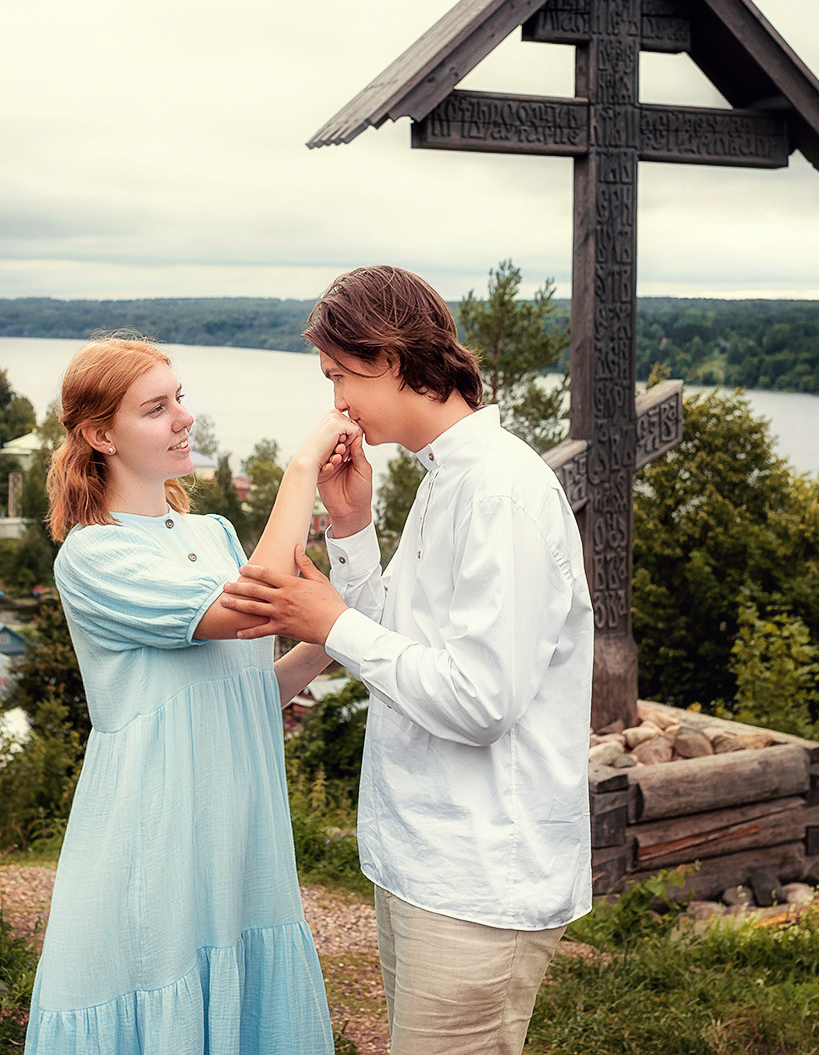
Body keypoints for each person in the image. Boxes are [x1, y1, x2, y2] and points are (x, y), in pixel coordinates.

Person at [222, 266, 595, 1055]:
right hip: (428, 861)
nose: (336, 403)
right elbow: (411, 649)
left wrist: (333, 623)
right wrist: (354, 525)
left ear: (390, 358)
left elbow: (479, 699)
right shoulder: (449, 478)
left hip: (480, 875)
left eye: (340, 375)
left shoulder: (499, 494)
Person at [25, 336, 354, 1053]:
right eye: (156, 407)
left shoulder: (214, 531)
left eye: (180, 397)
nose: (183, 418)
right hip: (157, 840)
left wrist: (332, 631)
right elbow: (252, 605)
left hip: (239, 835)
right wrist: (301, 468)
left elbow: (243, 691)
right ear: (99, 433)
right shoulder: (94, 553)